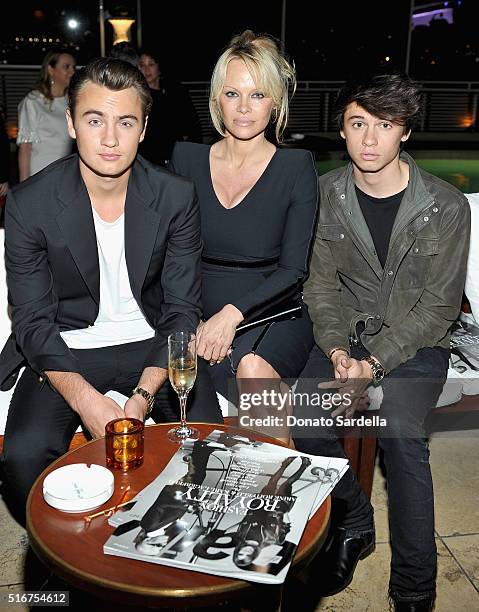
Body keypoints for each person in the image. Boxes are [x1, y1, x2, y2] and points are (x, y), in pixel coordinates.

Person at [0, 57, 222, 526]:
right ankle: (65, 563)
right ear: (71, 123)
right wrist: (88, 401)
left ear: (143, 129)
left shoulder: (174, 196)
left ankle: (168, 550)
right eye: (94, 119)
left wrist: (138, 399)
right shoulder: (30, 203)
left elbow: (182, 311)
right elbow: (33, 323)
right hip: (68, 348)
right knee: (22, 461)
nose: (108, 138)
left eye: (125, 122)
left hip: (154, 346)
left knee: (208, 450)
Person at [294, 73, 470, 611]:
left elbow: (439, 307)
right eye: (357, 124)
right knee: (302, 416)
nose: (370, 139)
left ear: (405, 134)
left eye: (384, 126)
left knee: (400, 436)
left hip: (416, 344)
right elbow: (319, 286)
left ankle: (415, 588)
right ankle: (353, 514)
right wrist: (339, 351)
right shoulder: (323, 196)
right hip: (343, 339)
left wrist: (375, 362)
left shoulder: (446, 206)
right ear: (342, 131)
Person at [168, 30, 318, 428]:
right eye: (232, 93)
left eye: (257, 95)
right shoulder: (185, 159)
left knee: (252, 370)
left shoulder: (296, 167)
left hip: (270, 309)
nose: (244, 108)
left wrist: (228, 317)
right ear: (217, 97)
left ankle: (277, 480)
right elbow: (170, 253)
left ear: (275, 102)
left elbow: (294, 271)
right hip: (198, 310)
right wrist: (190, 318)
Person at [16, 49, 76, 180]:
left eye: (73, 67)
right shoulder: (33, 101)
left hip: (64, 175)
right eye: (66, 67)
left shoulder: (71, 102)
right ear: (51, 69)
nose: (72, 71)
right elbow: (25, 148)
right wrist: (24, 187)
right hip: (39, 176)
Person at [138, 49, 202, 166]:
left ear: (159, 67)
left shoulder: (176, 92)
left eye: (151, 64)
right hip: (151, 159)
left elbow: (193, 125)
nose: (146, 70)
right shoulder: (139, 97)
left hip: (179, 154)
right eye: (142, 65)